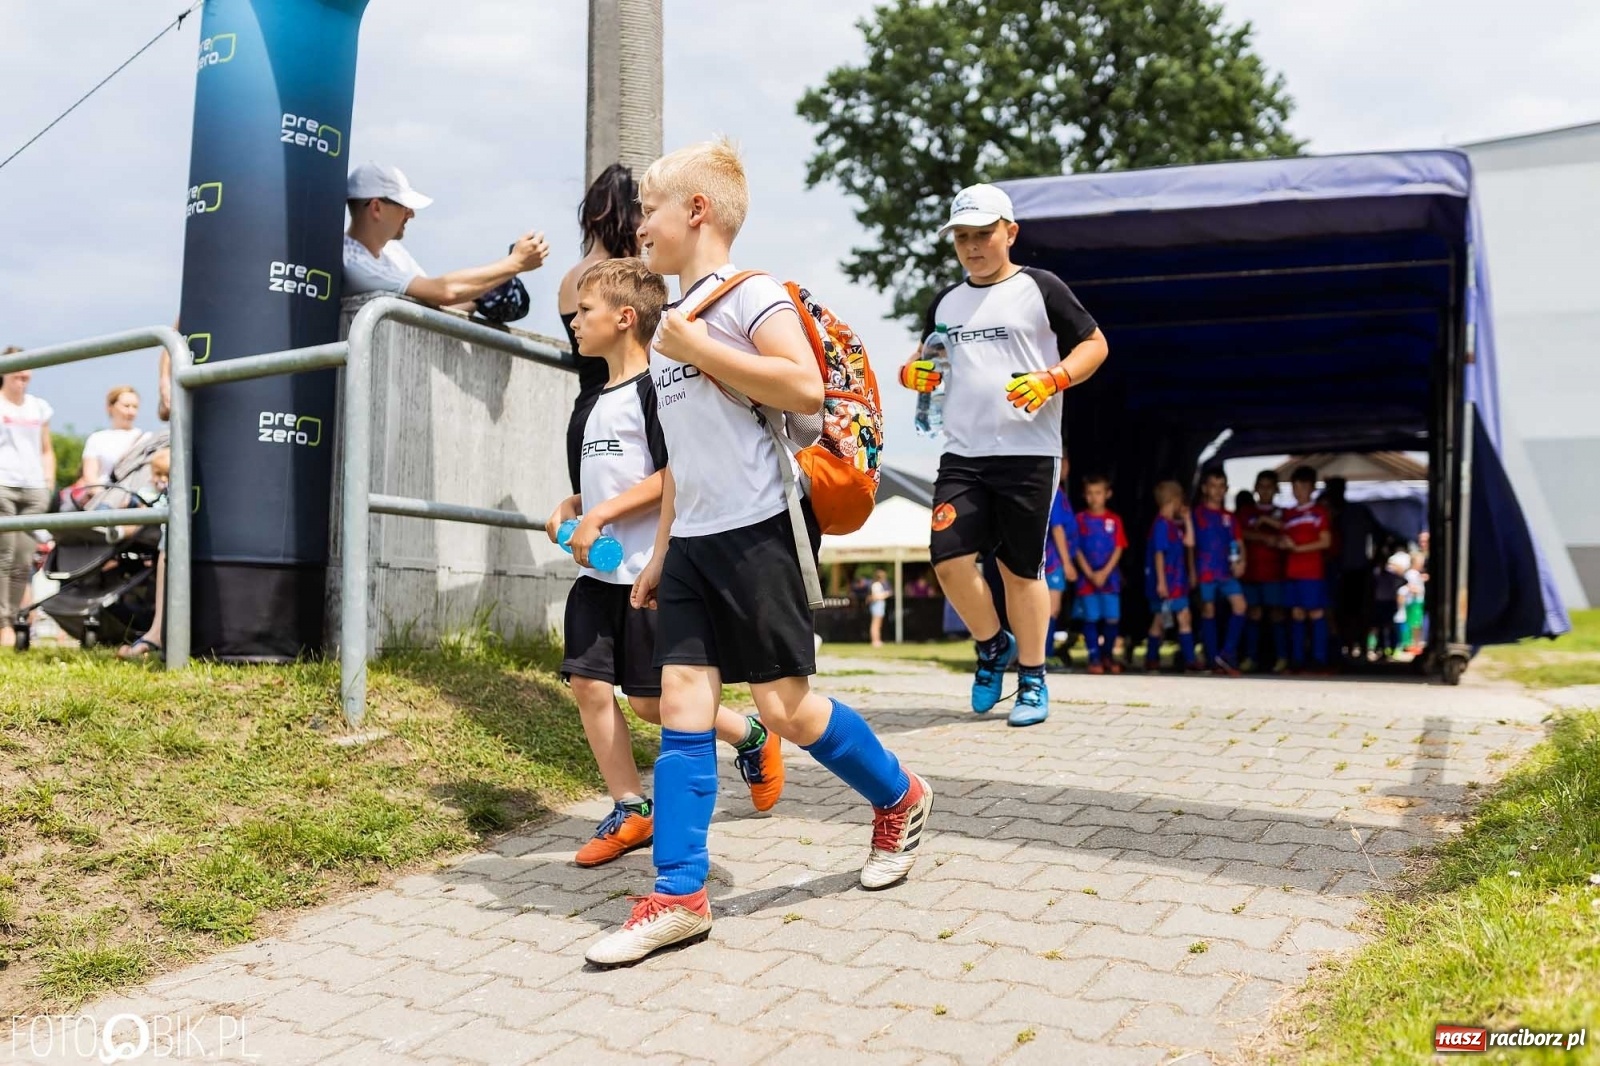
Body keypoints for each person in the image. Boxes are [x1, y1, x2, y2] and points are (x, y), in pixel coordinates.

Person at [583, 138, 932, 967]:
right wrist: (664, 553)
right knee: (681, 707)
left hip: (762, 534)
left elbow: (803, 386)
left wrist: (694, 345)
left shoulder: (751, 296)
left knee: (784, 710)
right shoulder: (676, 323)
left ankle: (901, 793)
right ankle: (679, 895)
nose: (640, 226)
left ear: (695, 212)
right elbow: (682, 466)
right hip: (697, 545)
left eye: (652, 210)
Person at [545, 258, 783, 867]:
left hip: (648, 571)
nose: (574, 320)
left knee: (652, 704)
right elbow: (596, 481)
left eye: (585, 311)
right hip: (596, 576)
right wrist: (572, 508)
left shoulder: (658, 390)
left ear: (625, 319)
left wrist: (603, 514)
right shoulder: (589, 399)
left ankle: (752, 734)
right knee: (588, 684)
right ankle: (631, 808)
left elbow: (671, 474)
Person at [901, 183, 1109, 726]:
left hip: (1029, 452)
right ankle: (993, 646)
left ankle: (1033, 680)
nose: (972, 246)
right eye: (962, 238)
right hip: (963, 454)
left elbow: (1095, 344)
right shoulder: (946, 302)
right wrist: (911, 373)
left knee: (1020, 571)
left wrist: (1052, 378)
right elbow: (926, 362)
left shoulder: (1041, 288)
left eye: (983, 235)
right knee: (947, 561)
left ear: (1010, 232)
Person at [342, 162, 550, 309]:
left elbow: (434, 299)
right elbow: (442, 291)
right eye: (404, 206)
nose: (411, 214)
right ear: (376, 208)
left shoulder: (393, 251)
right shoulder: (352, 263)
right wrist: (514, 263)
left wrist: (480, 298)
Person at [559, 164, 645, 496]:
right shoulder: (623, 278)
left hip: (585, 416)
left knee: (591, 535)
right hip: (624, 418)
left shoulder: (571, 277)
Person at [1, 363, 55, 648]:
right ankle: (4, 624)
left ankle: (13, 619)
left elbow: (46, 448)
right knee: (3, 556)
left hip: (33, 487)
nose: (23, 381)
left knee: (23, 560)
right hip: (3, 484)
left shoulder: (38, 407)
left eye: (26, 376)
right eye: (17, 376)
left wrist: (48, 481)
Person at [1192, 467, 1248, 675]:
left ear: (1226, 489)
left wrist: (1242, 562)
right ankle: (1212, 658)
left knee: (1240, 605)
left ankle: (1227, 653)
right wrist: (1191, 570)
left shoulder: (1229, 517)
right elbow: (1189, 545)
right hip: (1205, 569)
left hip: (1226, 571)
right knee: (1208, 610)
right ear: (1205, 488)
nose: (1216, 490)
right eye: (1212, 486)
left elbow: (1239, 543)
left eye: (1220, 486)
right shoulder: (1196, 514)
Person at [1278, 465, 1333, 672]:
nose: (1299, 489)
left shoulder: (1319, 513)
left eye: (1303, 485)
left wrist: (1298, 548)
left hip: (1312, 572)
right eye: (1295, 485)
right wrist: (1283, 544)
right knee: (1297, 614)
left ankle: (1319, 659)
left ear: (1311, 488)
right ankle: (1297, 659)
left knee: (1316, 613)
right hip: (1292, 572)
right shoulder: (1288, 514)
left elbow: (1325, 541)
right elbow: (1282, 539)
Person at [1072, 474, 1126, 674]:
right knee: (1091, 618)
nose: (1094, 498)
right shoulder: (1079, 519)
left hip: (1110, 579)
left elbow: (1119, 547)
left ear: (1107, 494)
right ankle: (1094, 657)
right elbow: (1075, 548)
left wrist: (1104, 572)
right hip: (1087, 580)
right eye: (1090, 494)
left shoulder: (1114, 520)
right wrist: (1089, 572)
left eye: (1098, 493)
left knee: (1112, 618)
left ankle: (1108, 655)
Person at [1143, 480, 1196, 672]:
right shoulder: (1161, 525)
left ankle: (1187, 660)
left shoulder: (1175, 524)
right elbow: (1159, 554)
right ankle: (1153, 658)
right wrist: (1162, 583)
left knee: (1179, 617)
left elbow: (1190, 541)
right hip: (1167, 582)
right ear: (1174, 500)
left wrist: (1187, 519)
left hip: (1177, 581)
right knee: (1161, 619)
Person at [1238, 472, 1288, 672]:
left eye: (1270, 486)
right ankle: (1251, 657)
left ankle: (1282, 657)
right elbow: (1238, 532)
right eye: (1262, 486)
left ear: (1276, 489)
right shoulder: (1246, 512)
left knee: (1277, 614)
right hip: (1251, 571)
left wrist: (1269, 523)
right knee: (1253, 613)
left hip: (1275, 572)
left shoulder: (1283, 513)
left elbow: (1290, 532)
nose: (1265, 490)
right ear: (1255, 488)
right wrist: (1263, 537)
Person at [1043, 461, 1080, 670]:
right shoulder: (1054, 493)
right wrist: (1067, 563)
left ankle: (1041, 654)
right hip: (1053, 561)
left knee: (1049, 609)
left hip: (1054, 560)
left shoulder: (1060, 492)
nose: (1066, 466)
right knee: (1050, 610)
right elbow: (1057, 529)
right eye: (1062, 460)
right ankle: (1042, 656)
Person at [79, 385, 145, 490]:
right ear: (110, 407)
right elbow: (90, 476)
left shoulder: (146, 439)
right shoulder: (96, 439)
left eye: (135, 407)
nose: (131, 412)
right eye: (126, 406)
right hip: (105, 498)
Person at [867, 568, 891, 647]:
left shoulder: (879, 585)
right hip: (877, 606)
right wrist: (885, 594)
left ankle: (877, 640)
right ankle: (875, 641)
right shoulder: (876, 585)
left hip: (879, 606)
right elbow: (875, 597)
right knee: (875, 624)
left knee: (878, 624)